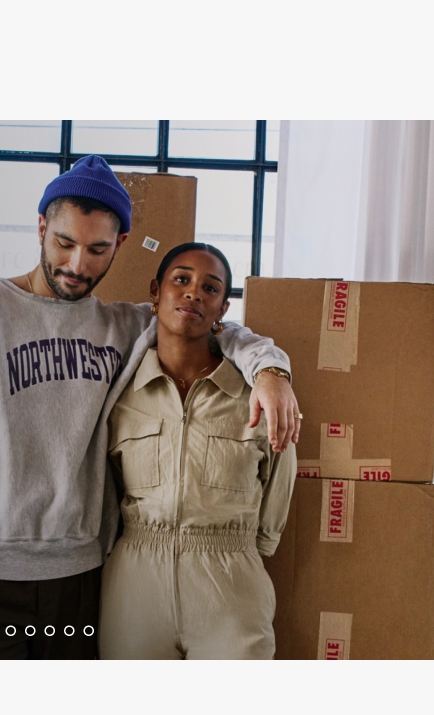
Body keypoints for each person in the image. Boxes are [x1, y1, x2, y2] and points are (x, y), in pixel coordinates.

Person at [0, 155, 302, 659]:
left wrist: (271, 372)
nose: (77, 265)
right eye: (64, 243)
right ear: (41, 227)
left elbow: (209, 323)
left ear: (120, 245)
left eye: (96, 250)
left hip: (82, 580)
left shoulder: (124, 328)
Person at [98, 243, 296, 660]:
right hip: (134, 586)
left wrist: (246, 548)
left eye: (210, 287)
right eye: (181, 279)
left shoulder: (256, 398)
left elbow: (279, 477)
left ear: (223, 308)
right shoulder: (121, 396)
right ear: (156, 292)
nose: (193, 293)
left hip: (231, 587)